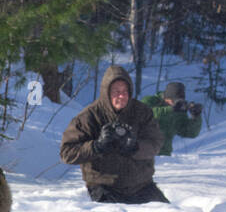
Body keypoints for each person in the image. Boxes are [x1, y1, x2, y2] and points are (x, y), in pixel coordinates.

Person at [60, 66, 167, 204]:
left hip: (142, 186)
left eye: (124, 91)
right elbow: (67, 153)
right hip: (104, 187)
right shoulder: (88, 117)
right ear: (106, 92)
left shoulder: (142, 112)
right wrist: (96, 146)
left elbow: (156, 143)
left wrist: (135, 147)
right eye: (116, 91)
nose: (121, 96)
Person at [143, 81, 203, 156]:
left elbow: (190, 132)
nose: (173, 104)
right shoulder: (150, 101)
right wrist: (170, 109)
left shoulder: (179, 111)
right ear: (166, 98)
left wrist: (196, 117)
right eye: (173, 101)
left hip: (163, 156)